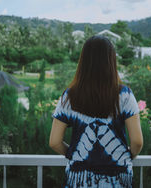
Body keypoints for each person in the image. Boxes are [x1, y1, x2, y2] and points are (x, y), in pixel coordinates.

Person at [49, 35, 143, 187]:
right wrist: (125, 155)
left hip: (78, 179)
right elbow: (137, 141)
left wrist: (74, 154)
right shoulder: (125, 95)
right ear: (111, 61)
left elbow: (54, 142)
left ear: (83, 62)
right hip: (118, 178)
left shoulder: (69, 96)